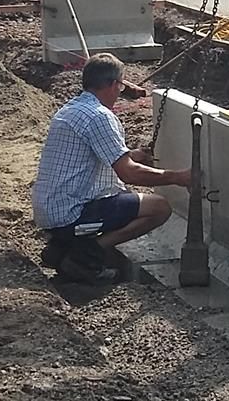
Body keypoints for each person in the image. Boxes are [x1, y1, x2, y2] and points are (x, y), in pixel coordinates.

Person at [32, 53, 191, 281]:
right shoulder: (100, 117)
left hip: (50, 210)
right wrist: (179, 177)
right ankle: (85, 255)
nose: (120, 91)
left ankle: (63, 247)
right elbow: (128, 173)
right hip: (70, 214)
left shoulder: (72, 109)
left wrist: (133, 155)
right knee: (159, 207)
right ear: (114, 84)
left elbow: (97, 157)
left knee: (119, 195)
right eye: (120, 85)